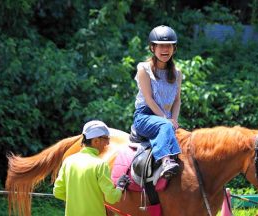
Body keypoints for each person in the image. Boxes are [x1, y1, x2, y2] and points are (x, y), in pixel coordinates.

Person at [133, 25, 182, 179]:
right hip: (145, 117)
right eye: (160, 45)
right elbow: (148, 99)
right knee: (165, 125)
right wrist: (166, 120)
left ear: (174, 48)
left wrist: (174, 119)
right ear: (152, 48)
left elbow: (177, 100)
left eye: (169, 46)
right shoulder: (144, 69)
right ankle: (166, 160)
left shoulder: (177, 73)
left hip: (166, 119)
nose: (165, 49)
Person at [53, 120, 130, 216]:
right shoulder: (100, 165)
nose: (108, 143)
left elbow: (58, 192)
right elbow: (111, 197)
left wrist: (78, 200)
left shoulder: (68, 161)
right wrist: (120, 186)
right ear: (96, 141)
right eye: (106, 139)